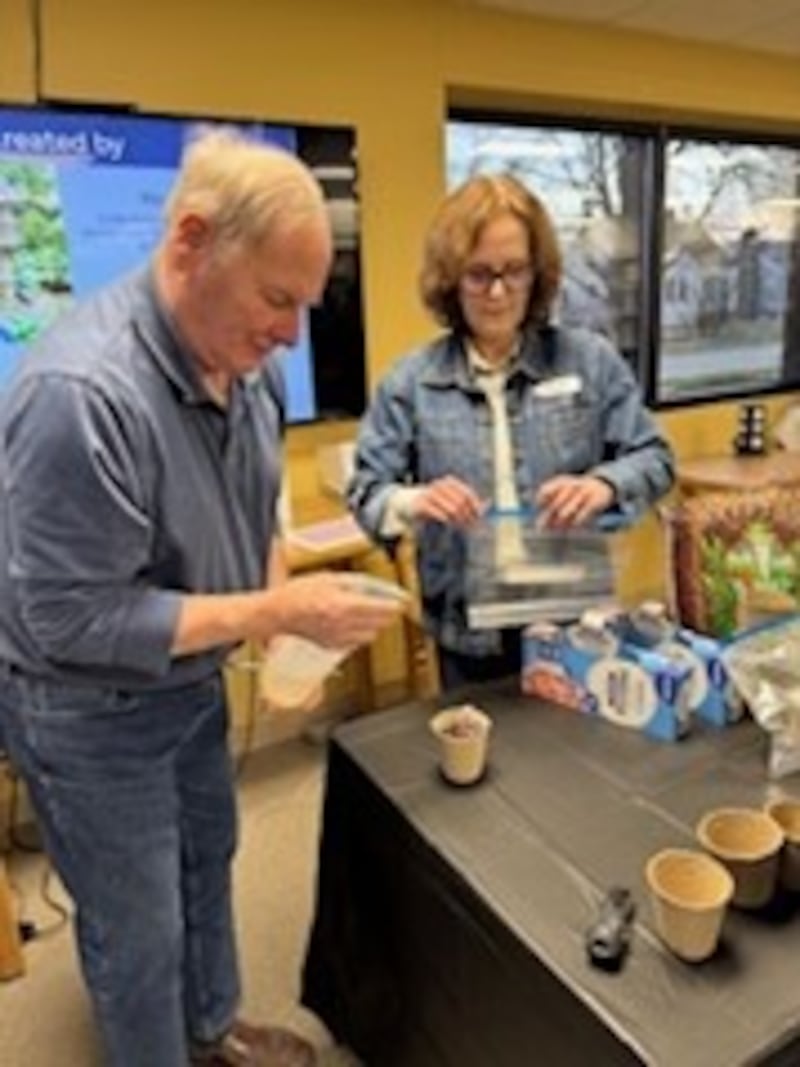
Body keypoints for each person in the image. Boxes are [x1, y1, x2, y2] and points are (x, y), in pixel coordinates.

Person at [0, 130, 402, 1067]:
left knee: (206, 860)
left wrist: (277, 612)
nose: (291, 334)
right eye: (276, 298)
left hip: (189, 683)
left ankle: (213, 1032)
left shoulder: (247, 365)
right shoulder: (79, 394)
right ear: (190, 242)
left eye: (306, 304)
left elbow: (250, 505)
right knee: (136, 930)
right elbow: (74, 620)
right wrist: (274, 617)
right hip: (86, 707)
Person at [347, 173, 674, 691]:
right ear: (450, 278)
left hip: (572, 616)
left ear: (537, 273)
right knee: (486, 764)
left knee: (576, 762)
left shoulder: (590, 361)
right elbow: (366, 492)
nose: (498, 292)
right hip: (468, 630)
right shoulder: (410, 383)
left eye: (514, 271)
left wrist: (603, 485)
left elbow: (654, 457)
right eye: (478, 275)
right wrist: (415, 501)